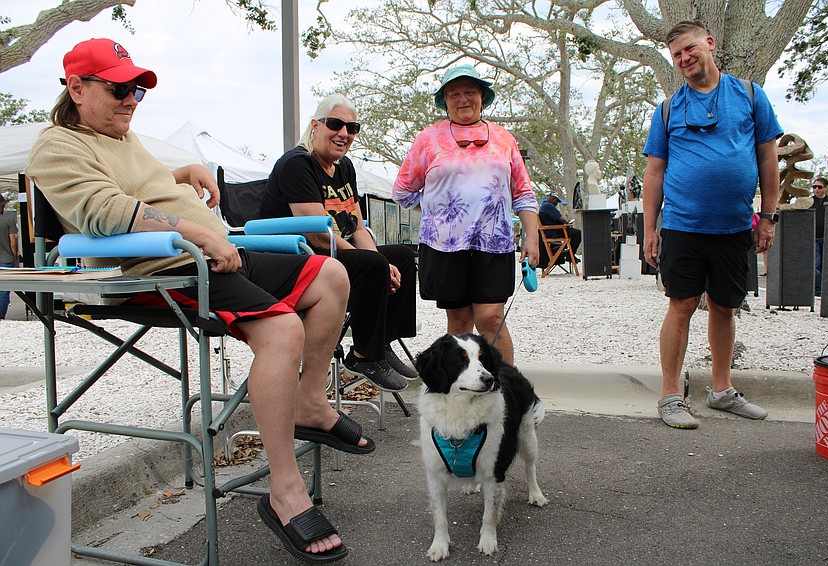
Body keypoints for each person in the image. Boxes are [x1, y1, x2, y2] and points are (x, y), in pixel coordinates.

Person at [26, 38, 362, 563]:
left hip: (216, 253)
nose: (131, 100)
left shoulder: (123, 136)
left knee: (332, 276)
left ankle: (310, 402)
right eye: (119, 89)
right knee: (282, 330)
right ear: (76, 88)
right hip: (169, 267)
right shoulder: (59, 145)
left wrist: (181, 176)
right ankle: (284, 491)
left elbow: (142, 186)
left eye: (137, 90)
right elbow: (102, 211)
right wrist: (197, 233)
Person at [641, 21, 782, 429]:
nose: (685, 59)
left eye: (689, 49)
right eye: (677, 55)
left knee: (724, 306)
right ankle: (670, 395)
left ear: (710, 43)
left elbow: (768, 159)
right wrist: (651, 230)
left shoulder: (751, 96)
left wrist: (768, 217)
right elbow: (654, 172)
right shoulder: (668, 109)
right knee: (681, 305)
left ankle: (722, 390)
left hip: (736, 225)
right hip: (684, 227)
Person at [260, 93, 417, 392]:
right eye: (335, 124)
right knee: (371, 264)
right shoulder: (297, 164)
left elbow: (356, 224)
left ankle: (381, 343)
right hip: (295, 259)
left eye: (352, 127)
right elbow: (317, 233)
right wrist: (375, 264)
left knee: (402, 257)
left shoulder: (345, 168)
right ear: (316, 126)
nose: (344, 133)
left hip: (330, 254)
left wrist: (383, 263)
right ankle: (363, 356)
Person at [393, 64, 539, 365]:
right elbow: (403, 192)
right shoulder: (428, 139)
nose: (463, 99)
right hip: (445, 246)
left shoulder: (503, 139)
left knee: (491, 316)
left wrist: (532, 237)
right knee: (459, 322)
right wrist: (439, 209)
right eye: (454, 93)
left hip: (494, 243)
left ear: (482, 97)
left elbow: (523, 193)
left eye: (470, 92)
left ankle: (505, 394)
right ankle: (461, 397)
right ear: (445, 100)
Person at [809, 177, 828, 296]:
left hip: (827, 237)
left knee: (827, 263)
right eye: (814, 187)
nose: (816, 189)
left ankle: (827, 287)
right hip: (814, 236)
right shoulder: (809, 202)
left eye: (819, 187)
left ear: (826, 188)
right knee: (816, 263)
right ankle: (817, 289)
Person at [538, 191, 581, 264]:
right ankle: (570, 255)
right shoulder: (548, 206)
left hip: (551, 230)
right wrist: (567, 223)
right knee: (578, 233)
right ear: (553, 199)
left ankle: (570, 254)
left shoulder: (544, 206)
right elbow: (560, 218)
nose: (556, 204)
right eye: (556, 202)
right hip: (553, 232)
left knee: (574, 232)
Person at [0, 194, 19, 320]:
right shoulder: (8, 220)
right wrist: (15, 256)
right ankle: (1, 317)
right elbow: (13, 241)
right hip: (5, 260)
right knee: (3, 291)